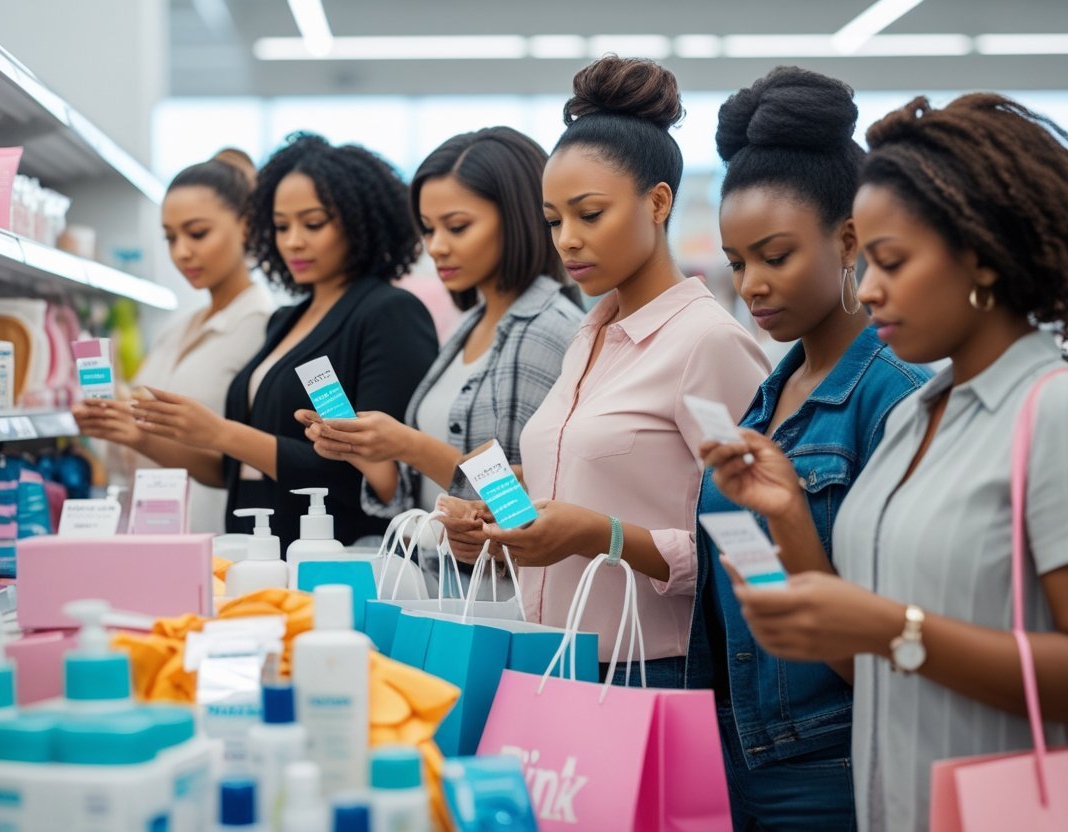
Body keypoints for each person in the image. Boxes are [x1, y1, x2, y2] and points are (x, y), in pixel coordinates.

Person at [705, 94, 1068, 831]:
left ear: (978, 253)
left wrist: (892, 628)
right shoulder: (917, 418)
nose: (870, 287)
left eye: (891, 261)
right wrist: (788, 514)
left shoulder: (1061, 414)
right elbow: (864, 656)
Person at [446, 56, 771, 686]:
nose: (566, 239)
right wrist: (500, 518)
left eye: (589, 215)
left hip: (650, 670)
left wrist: (604, 536)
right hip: (548, 659)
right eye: (553, 221)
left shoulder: (709, 344)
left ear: (657, 202)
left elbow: (752, 548)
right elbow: (597, 479)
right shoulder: (587, 337)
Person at [686, 67, 931, 830]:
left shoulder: (896, 397)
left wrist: (790, 521)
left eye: (775, 255)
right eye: (737, 263)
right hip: (736, 749)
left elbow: (894, 635)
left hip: (833, 762)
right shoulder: (769, 393)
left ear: (849, 238)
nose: (753, 284)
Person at [132, 134, 438, 549]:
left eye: (313, 224)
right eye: (280, 226)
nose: (293, 240)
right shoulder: (284, 321)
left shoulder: (388, 314)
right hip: (255, 543)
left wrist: (220, 432)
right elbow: (242, 466)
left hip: (336, 552)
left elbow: (373, 477)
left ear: (358, 220)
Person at [297, 127, 583, 539]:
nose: (436, 247)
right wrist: (363, 447)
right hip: (438, 582)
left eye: (457, 227)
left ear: (519, 218)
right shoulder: (467, 326)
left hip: (495, 597)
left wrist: (408, 445)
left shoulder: (548, 331)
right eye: (428, 229)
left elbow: (522, 510)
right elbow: (421, 494)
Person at [73, 151, 274, 533]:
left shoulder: (263, 329)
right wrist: (110, 415)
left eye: (197, 233)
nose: (182, 251)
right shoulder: (177, 328)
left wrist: (137, 434)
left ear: (246, 225)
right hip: (146, 526)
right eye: (170, 237)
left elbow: (235, 462)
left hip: (214, 536)